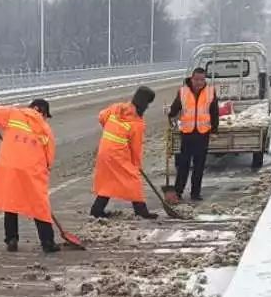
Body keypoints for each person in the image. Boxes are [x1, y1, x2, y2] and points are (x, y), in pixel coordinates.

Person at [0, 98, 59, 253]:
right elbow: (49, 158)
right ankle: (48, 243)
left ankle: (11, 239)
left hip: (9, 166)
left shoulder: (13, 114)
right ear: (43, 112)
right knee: (39, 205)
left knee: (11, 202)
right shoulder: (45, 128)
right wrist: (45, 170)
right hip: (31, 170)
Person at [90, 87, 157, 220]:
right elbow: (136, 148)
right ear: (144, 103)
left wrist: (110, 131)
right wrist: (136, 166)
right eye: (148, 104)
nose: (148, 107)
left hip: (104, 150)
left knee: (108, 180)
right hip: (117, 154)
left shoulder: (117, 108)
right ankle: (141, 211)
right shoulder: (137, 122)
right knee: (133, 180)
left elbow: (101, 116)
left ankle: (97, 210)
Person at [167, 67, 219, 202]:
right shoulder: (183, 91)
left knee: (199, 166)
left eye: (202, 80)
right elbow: (175, 108)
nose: (199, 82)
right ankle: (178, 191)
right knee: (183, 164)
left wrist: (214, 130)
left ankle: (195, 193)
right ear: (192, 78)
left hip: (203, 133)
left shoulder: (210, 92)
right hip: (187, 134)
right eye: (197, 79)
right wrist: (170, 113)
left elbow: (214, 112)